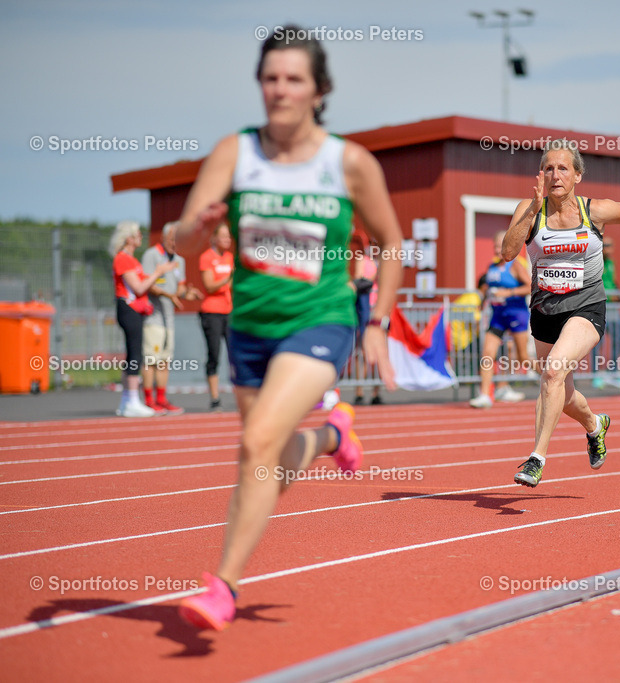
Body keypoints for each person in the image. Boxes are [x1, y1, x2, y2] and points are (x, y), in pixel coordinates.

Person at [175, 26, 403, 630]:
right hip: (251, 327)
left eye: (294, 79)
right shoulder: (235, 153)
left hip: (320, 320)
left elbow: (391, 242)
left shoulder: (347, 163)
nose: (280, 89)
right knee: (269, 462)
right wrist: (194, 231)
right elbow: (181, 239)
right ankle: (332, 437)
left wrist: (378, 322)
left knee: (255, 445)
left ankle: (223, 586)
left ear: (319, 90)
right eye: (270, 78)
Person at [503, 139, 620, 487]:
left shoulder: (595, 210)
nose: (555, 175)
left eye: (563, 168)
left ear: (577, 175)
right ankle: (595, 425)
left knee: (552, 373)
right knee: (560, 392)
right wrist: (532, 211)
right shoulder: (530, 209)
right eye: (548, 168)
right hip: (544, 310)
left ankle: (536, 459)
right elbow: (507, 252)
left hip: (587, 306)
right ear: (541, 174)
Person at [109, 220, 178, 417]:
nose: (140, 237)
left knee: (132, 355)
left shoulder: (131, 259)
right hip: (128, 309)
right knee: (135, 356)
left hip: (135, 310)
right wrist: (158, 272)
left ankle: (127, 401)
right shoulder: (123, 258)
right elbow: (138, 288)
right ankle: (132, 400)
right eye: (137, 234)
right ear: (128, 238)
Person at [141, 222, 202, 415]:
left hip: (169, 319)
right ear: (163, 237)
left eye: (178, 239)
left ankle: (161, 399)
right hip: (153, 318)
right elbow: (146, 284)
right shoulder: (151, 255)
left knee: (164, 361)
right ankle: (148, 400)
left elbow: (180, 288)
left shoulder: (179, 260)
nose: (175, 243)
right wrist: (169, 295)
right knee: (151, 359)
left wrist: (187, 293)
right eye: (172, 239)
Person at [470, 230, 532, 408]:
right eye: (495, 246)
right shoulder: (492, 267)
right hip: (497, 316)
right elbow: (486, 289)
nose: (497, 250)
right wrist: (482, 302)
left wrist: (509, 292)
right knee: (487, 353)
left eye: (500, 246)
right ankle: (485, 395)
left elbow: (530, 287)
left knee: (523, 357)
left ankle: (552, 376)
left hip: (516, 315)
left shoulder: (515, 265)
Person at [198, 223, 233, 411]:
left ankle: (240, 395)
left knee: (235, 355)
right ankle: (214, 398)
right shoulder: (206, 257)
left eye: (229, 236)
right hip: (212, 313)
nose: (227, 239)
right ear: (215, 238)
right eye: (224, 236)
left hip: (229, 311)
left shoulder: (229, 257)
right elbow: (210, 285)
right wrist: (229, 277)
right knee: (214, 354)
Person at [350, 235, 383, 405]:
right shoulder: (362, 260)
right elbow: (358, 279)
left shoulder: (385, 262)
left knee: (380, 352)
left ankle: (376, 392)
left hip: (379, 311)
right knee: (362, 351)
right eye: (372, 244)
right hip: (364, 310)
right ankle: (359, 391)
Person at [591, 236, 620, 389]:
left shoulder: (612, 263)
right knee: (598, 342)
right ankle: (596, 374)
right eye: (605, 245)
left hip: (612, 308)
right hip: (599, 307)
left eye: (610, 245)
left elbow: (612, 282)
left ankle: (613, 372)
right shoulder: (595, 262)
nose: (607, 248)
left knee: (619, 340)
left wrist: (618, 294)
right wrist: (611, 295)